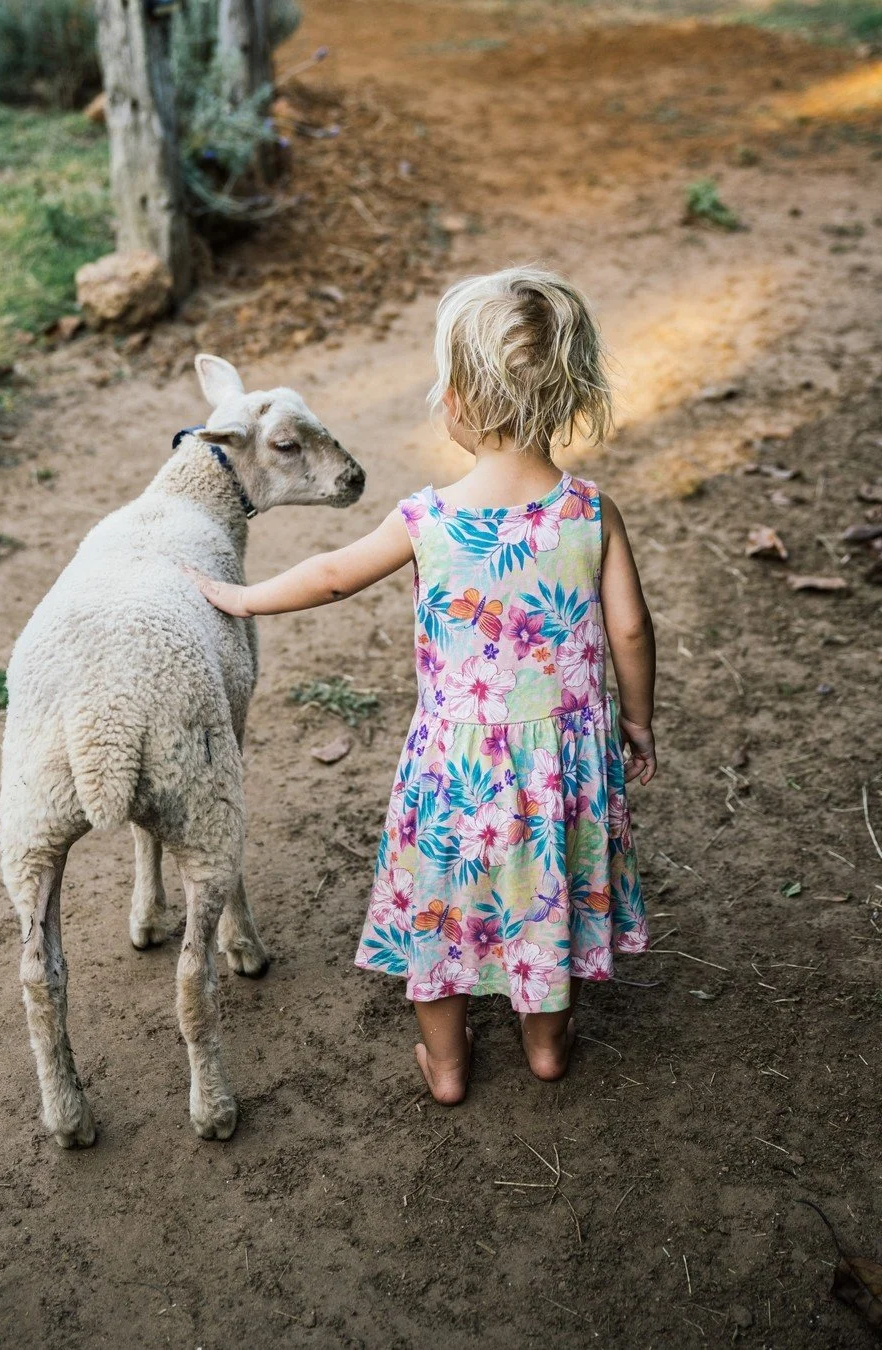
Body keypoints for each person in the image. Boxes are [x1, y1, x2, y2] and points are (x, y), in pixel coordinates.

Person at [189, 265, 656, 1105]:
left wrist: (241, 595)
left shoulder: (427, 520)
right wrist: (639, 722)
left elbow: (331, 575)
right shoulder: (591, 512)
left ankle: (445, 1065)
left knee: (439, 908)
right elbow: (629, 628)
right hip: (562, 775)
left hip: (457, 775)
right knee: (547, 896)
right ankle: (546, 1043)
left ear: (461, 404)